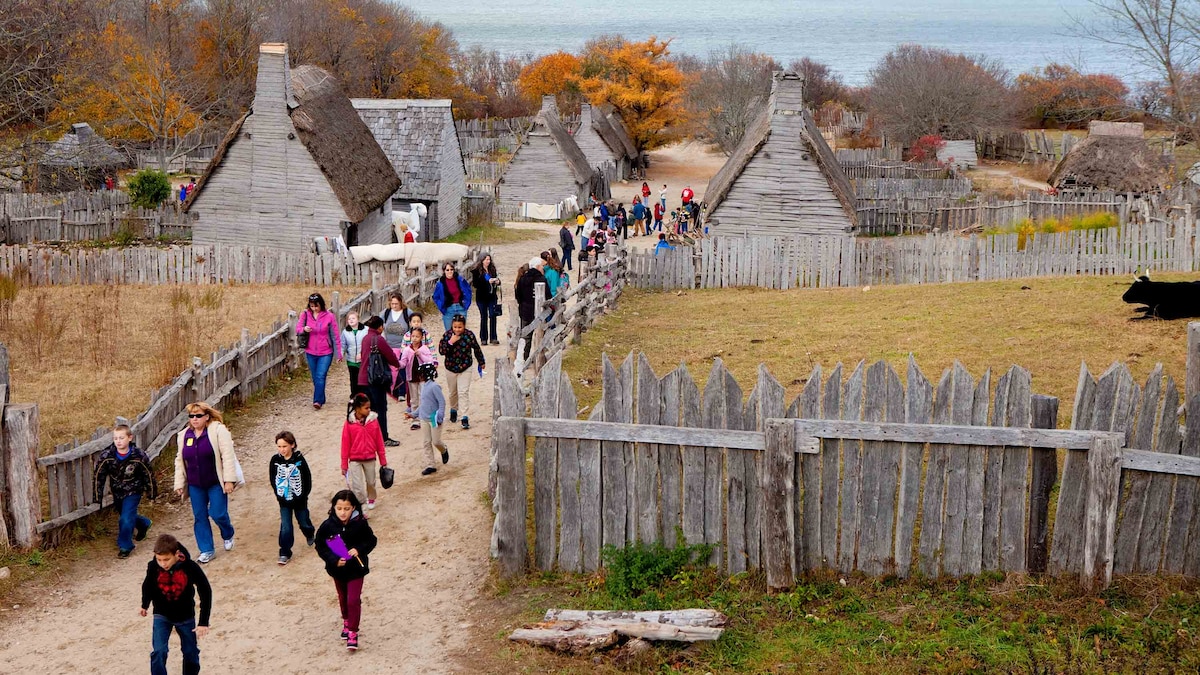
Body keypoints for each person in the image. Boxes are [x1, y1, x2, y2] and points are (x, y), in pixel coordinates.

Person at [173, 402, 237, 564]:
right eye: (192, 416)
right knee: (200, 516)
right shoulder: (184, 435)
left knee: (218, 513)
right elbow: (180, 461)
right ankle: (207, 549)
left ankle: (227, 533)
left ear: (207, 416)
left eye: (198, 416)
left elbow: (227, 456)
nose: (195, 419)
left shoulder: (217, 431)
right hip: (195, 484)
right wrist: (179, 483)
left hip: (215, 481)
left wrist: (229, 480)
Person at [314, 490, 377, 652]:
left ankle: (353, 632)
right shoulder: (327, 526)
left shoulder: (361, 524)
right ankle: (346, 620)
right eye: (339, 508)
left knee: (353, 600)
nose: (343, 512)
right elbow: (320, 545)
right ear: (334, 507)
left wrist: (359, 549)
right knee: (343, 597)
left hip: (356, 569)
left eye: (347, 509)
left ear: (353, 508)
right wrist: (333, 560)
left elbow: (371, 540)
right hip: (338, 570)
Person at [141, 533, 212, 675]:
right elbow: (147, 584)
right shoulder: (153, 566)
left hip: (185, 616)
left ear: (177, 554)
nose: (163, 564)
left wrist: (203, 622)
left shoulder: (190, 567)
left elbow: (205, 591)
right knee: (159, 651)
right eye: (159, 559)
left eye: (166, 559)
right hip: (162, 614)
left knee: (190, 652)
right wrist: (145, 604)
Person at [93, 424, 156, 558]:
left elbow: (148, 473)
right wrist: (97, 496)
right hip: (117, 491)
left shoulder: (138, 455)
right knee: (125, 515)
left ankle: (125, 546)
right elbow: (99, 475)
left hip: (134, 490)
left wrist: (151, 492)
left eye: (121, 438)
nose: (118, 441)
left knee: (125, 519)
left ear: (129, 438)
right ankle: (144, 523)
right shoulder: (107, 456)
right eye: (115, 438)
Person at [270, 431, 314, 566]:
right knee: (286, 527)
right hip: (284, 501)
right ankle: (284, 552)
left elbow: (307, 479)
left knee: (304, 521)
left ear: (292, 445)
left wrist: (303, 495)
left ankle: (309, 533)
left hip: (300, 500)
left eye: (284, 446)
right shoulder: (275, 460)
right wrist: (279, 495)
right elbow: (273, 479)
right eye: (279, 446)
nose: (282, 449)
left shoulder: (300, 460)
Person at [358, 316, 402, 447]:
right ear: (380, 327)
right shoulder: (379, 339)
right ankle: (383, 437)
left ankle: (368, 437)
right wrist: (398, 364)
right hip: (375, 379)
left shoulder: (365, 339)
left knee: (367, 410)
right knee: (380, 409)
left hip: (363, 379)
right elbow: (391, 357)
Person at [340, 393, 388, 509]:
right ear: (357, 408)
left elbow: (379, 441)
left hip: (370, 457)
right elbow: (345, 444)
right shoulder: (349, 423)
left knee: (371, 482)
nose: (369, 410)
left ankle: (371, 497)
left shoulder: (373, 421)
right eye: (366, 408)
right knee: (357, 486)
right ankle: (361, 505)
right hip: (355, 459)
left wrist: (383, 460)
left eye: (369, 407)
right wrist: (344, 464)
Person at [439, 315, 485, 431]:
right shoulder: (447, 335)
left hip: (466, 367)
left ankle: (464, 417)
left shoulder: (469, 335)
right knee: (452, 392)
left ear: (464, 326)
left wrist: (481, 362)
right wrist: (450, 342)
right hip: (450, 367)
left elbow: (476, 348)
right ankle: (453, 409)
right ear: (452, 326)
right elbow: (441, 351)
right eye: (455, 327)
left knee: (463, 392)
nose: (457, 329)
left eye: (460, 327)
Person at [297, 292, 341, 410]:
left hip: (326, 352)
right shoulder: (305, 315)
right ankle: (321, 396)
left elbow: (335, 335)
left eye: (316, 306)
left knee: (321, 375)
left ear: (321, 304)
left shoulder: (329, 316)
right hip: (310, 351)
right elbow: (298, 329)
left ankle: (317, 401)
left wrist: (338, 354)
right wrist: (304, 329)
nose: (314, 308)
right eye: (312, 306)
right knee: (315, 377)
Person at [398, 326, 437, 430]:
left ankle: (424, 417)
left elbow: (430, 361)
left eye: (417, 336)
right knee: (414, 399)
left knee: (423, 397)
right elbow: (403, 362)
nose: (415, 338)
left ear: (421, 338)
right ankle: (415, 420)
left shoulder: (424, 348)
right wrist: (397, 364)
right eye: (413, 336)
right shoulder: (406, 350)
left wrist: (420, 355)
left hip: (423, 377)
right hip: (411, 378)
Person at [415, 362, 449, 475]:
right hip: (424, 419)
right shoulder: (424, 386)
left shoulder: (434, 387)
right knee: (426, 442)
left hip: (434, 419)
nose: (419, 376)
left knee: (436, 441)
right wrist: (414, 414)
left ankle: (443, 449)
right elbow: (423, 404)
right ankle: (431, 464)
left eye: (421, 374)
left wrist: (440, 416)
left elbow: (442, 402)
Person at [515, 257, 547, 364]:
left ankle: (523, 358)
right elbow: (547, 295)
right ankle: (538, 357)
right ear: (538, 267)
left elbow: (518, 295)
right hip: (538, 311)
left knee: (525, 335)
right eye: (542, 266)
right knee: (539, 334)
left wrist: (522, 304)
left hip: (524, 310)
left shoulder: (523, 278)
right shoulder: (541, 279)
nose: (543, 268)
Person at [432, 262, 472, 333]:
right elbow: (436, 297)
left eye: (451, 269)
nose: (450, 272)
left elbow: (468, 290)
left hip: (460, 307)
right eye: (447, 270)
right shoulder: (440, 283)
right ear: (444, 271)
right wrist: (441, 305)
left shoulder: (460, 280)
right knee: (449, 332)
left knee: (461, 332)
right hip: (448, 309)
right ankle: (450, 344)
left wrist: (466, 303)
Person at [470, 254, 500, 346]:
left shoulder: (492, 269)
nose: (488, 261)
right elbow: (475, 284)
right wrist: (486, 281)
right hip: (482, 297)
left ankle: (493, 337)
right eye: (486, 259)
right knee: (484, 317)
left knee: (493, 315)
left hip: (492, 297)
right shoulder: (476, 271)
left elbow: (497, 280)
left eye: (489, 259)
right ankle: (483, 338)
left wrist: (497, 282)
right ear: (482, 260)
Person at [340, 311, 368, 398]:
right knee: (353, 378)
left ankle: (363, 395)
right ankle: (354, 395)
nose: (351, 320)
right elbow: (343, 345)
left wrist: (362, 354)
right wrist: (340, 354)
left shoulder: (365, 330)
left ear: (358, 319)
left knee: (363, 378)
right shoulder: (345, 332)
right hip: (351, 359)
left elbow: (368, 343)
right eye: (349, 319)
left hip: (363, 360)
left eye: (353, 318)